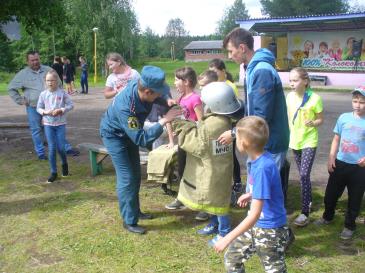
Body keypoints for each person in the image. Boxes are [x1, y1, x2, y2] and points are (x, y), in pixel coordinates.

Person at [99, 65, 181, 234]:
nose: (160, 94)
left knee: (136, 174)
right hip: (115, 136)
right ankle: (129, 220)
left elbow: (160, 95)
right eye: (157, 93)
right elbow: (141, 139)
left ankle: (135, 211)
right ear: (147, 92)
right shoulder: (126, 107)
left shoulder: (142, 86)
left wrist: (167, 101)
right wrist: (164, 120)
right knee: (127, 178)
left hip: (130, 133)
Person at [214, 116, 289, 273]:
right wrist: (251, 194)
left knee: (274, 269)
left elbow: (253, 215)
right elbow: (267, 188)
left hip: (270, 230)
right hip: (257, 226)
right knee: (232, 258)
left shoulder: (262, 167)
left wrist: (227, 237)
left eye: (237, 137)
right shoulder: (260, 159)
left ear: (243, 143)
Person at [172, 82, 243, 246]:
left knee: (219, 202)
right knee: (215, 198)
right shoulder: (222, 119)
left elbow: (197, 145)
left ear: (214, 104)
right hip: (219, 168)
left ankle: (224, 232)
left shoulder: (213, 124)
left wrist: (181, 126)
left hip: (214, 170)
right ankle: (214, 224)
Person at [219, 27, 289, 177]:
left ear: (242, 48)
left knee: (263, 194)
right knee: (256, 190)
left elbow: (261, 117)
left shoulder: (261, 71)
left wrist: (234, 133)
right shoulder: (251, 69)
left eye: (231, 51)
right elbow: (252, 107)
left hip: (270, 144)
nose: (229, 56)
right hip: (259, 141)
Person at [314, 86, 365, 240]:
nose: (357, 105)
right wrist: (331, 157)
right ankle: (327, 217)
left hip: (359, 168)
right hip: (340, 163)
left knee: (355, 198)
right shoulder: (343, 118)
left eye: (362, 102)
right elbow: (336, 139)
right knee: (330, 194)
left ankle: (349, 225)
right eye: (355, 101)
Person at [8, 51, 79, 159]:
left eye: (37, 59)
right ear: (27, 61)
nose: (35, 62)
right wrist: (20, 100)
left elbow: (59, 84)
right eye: (32, 60)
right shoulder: (23, 74)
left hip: (51, 106)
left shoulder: (48, 70)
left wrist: (59, 100)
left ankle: (66, 148)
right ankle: (41, 153)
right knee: (36, 129)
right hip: (33, 107)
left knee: (56, 126)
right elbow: (11, 88)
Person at [287, 67, 323, 226]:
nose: (291, 83)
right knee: (304, 176)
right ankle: (308, 199)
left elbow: (320, 119)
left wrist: (314, 122)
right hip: (295, 141)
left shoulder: (315, 98)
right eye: (290, 80)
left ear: (305, 81)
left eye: (295, 80)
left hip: (309, 140)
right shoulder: (289, 97)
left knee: (303, 174)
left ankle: (304, 212)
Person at [165, 67, 204, 212]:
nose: (174, 82)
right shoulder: (181, 98)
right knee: (181, 170)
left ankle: (201, 204)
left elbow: (201, 121)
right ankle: (182, 198)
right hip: (183, 141)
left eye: (176, 79)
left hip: (193, 142)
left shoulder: (195, 98)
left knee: (196, 173)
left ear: (186, 82)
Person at [209, 58, 243, 202]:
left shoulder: (229, 86)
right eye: (211, 72)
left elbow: (231, 107)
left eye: (215, 72)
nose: (213, 75)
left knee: (231, 156)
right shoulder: (216, 85)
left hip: (230, 124)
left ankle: (237, 182)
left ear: (223, 71)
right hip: (221, 125)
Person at [36, 70, 73, 183]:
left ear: (57, 81)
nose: (50, 82)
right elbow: (38, 108)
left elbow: (71, 105)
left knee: (61, 148)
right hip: (48, 124)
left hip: (60, 124)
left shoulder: (62, 93)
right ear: (45, 82)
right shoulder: (43, 94)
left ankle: (64, 164)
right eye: (48, 80)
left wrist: (61, 110)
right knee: (52, 149)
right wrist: (45, 112)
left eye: (52, 80)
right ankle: (53, 172)